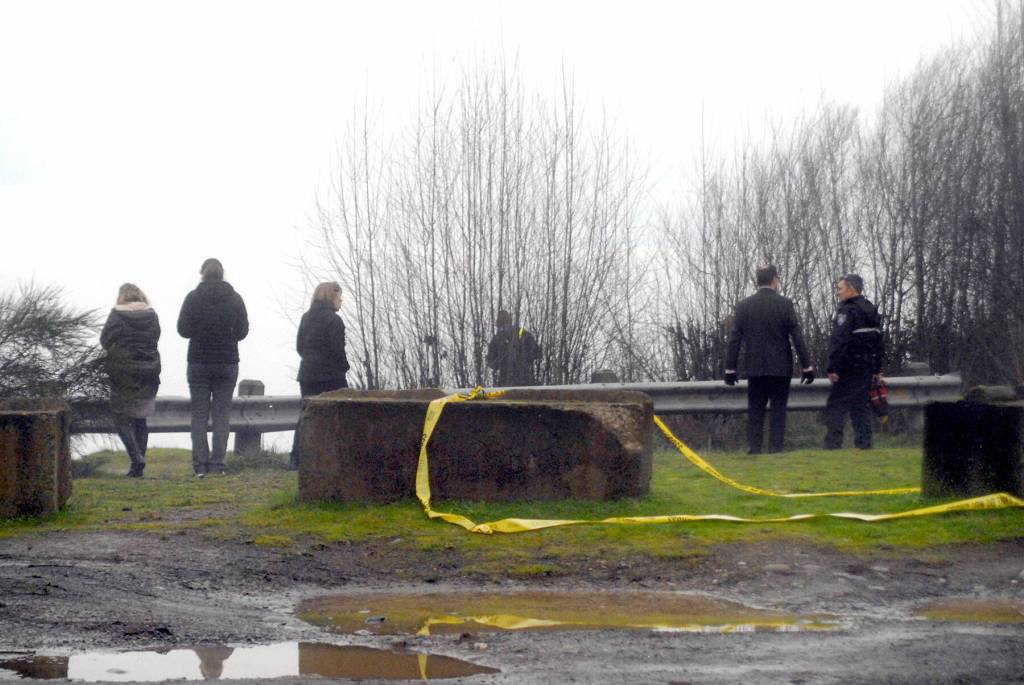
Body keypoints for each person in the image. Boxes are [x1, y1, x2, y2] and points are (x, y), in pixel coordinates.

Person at [724, 265, 815, 454]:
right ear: (774, 279)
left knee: (755, 409)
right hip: (780, 368)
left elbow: (735, 339)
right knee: (778, 410)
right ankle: (775, 448)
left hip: (755, 367)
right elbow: (796, 336)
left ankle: (754, 448)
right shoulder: (785, 304)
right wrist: (807, 366)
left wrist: (730, 369)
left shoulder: (744, 306)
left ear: (758, 281)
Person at [177, 258, 249, 477]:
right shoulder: (235, 298)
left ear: (202, 273)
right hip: (227, 361)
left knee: (198, 414)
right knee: (221, 415)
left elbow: (183, 329)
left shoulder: (192, 298)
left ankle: (200, 465)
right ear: (222, 273)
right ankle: (217, 465)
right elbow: (243, 331)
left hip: (198, 361)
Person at [99, 283, 161, 477]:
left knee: (120, 415)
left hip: (123, 371)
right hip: (149, 370)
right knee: (140, 417)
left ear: (121, 297)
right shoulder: (151, 315)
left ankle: (136, 459)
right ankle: (137, 467)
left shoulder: (117, 314)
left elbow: (105, 340)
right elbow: (155, 338)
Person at [290, 281, 349, 469]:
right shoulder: (334, 320)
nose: (341, 300)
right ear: (332, 296)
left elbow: (300, 346)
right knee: (339, 416)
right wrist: (344, 367)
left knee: (307, 415)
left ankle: (297, 460)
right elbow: (337, 350)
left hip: (308, 374)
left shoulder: (306, 318)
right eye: (339, 296)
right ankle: (335, 458)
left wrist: (310, 360)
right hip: (332, 376)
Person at [824, 273, 885, 449]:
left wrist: (832, 367)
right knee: (860, 406)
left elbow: (840, 340)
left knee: (836, 405)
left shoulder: (847, 310)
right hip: (866, 367)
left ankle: (833, 445)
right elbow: (879, 341)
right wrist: (877, 368)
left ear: (851, 289)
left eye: (840, 288)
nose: (838, 293)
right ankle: (865, 445)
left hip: (848, 367)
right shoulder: (870, 309)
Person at [486, 309, 541, 386]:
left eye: (506, 324)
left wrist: (522, 357)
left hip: (524, 379)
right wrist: (502, 359)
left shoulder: (522, 333)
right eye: (501, 326)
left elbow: (537, 352)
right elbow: (491, 362)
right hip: (505, 380)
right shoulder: (496, 339)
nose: (504, 328)